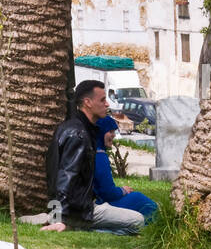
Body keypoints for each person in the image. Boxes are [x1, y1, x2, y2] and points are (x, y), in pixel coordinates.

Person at [42, 80, 145, 234]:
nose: (107, 104)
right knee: (137, 221)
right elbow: (65, 176)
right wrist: (60, 219)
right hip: (78, 211)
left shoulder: (75, 128)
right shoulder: (79, 134)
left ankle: (71, 223)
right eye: (103, 100)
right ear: (88, 102)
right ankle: (78, 228)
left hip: (76, 208)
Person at [93, 115, 158, 227]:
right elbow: (108, 193)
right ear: (100, 132)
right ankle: (152, 228)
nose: (113, 135)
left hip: (95, 202)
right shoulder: (99, 156)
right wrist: (122, 190)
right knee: (143, 201)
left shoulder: (93, 151)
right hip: (99, 204)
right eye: (110, 131)